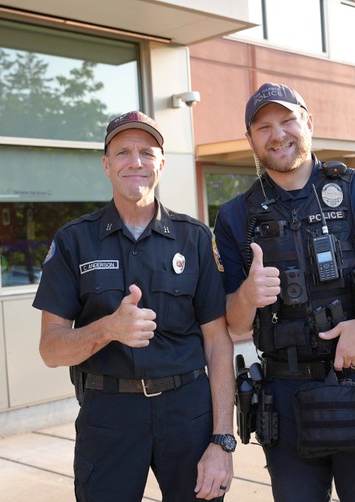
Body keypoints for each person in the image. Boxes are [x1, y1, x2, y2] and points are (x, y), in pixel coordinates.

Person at [213, 82, 355, 502]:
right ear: (250, 140)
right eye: (263, 127)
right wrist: (248, 294)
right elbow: (234, 322)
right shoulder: (234, 216)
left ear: (309, 123)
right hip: (286, 396)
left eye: (287, 120)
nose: (277, 134)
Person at [33, 111, 235, 501]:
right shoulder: (74, 241)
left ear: (161, 162)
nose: (135, 161)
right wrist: (108, 329)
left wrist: (222, 440)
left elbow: (218, 342)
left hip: (188, 413)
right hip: (109, 415)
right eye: (123, 152)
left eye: (147, 151)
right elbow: (50, 349)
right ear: (107, 165)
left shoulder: (193, 239)